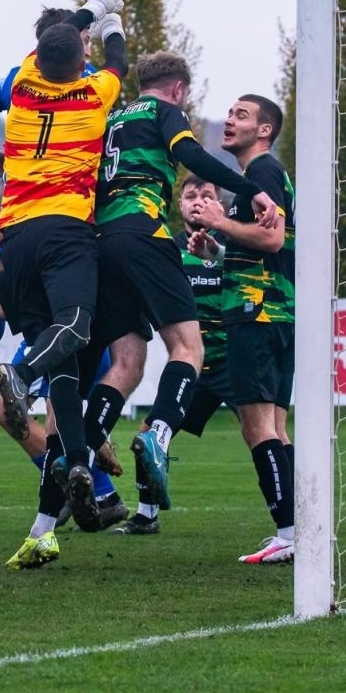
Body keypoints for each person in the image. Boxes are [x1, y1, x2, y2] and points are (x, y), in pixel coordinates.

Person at [0, 0, 128, 533]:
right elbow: (119, 63)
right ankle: (16, 373)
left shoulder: (22, 82)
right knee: (76, 328)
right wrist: (109, 21)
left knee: (63, 361)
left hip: (15, 237)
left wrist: (91, 8)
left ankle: (77, 465)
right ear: (81, 57)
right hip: (66, 231)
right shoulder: (96, 93)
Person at [85, 52, 276, 511]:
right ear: (178, 90)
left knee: (127, 360)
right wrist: (251, 189)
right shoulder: (164, 110)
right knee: (188, 348)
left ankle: (83, 443)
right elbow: (189, 154)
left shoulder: (111, 118)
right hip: (142, 231)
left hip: (100, 240)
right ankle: (158, 434)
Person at [188, 94, 296, 564]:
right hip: (276, 312)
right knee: (275, 429)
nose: (229, 121)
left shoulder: (263, 173)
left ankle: (289, 533)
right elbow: (266, 247)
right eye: (230, 114)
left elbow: (271, 237)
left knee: (257, 428)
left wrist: (219, 222)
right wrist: (215, 248)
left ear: (264, 130)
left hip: (257, 312)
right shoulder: (259, 179)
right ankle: (300, 527)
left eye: (241, 115)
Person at [114, 174, 232, 536]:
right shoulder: (164, 250)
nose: (198, 201)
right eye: (191, 195)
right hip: (191, 367)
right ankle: (146, 515)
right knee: (148, 434)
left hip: (233, 361)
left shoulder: (233, 249)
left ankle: (292, 524)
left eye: (207, 195)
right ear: (178, 205)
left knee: (261, 434)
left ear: (220, 205)